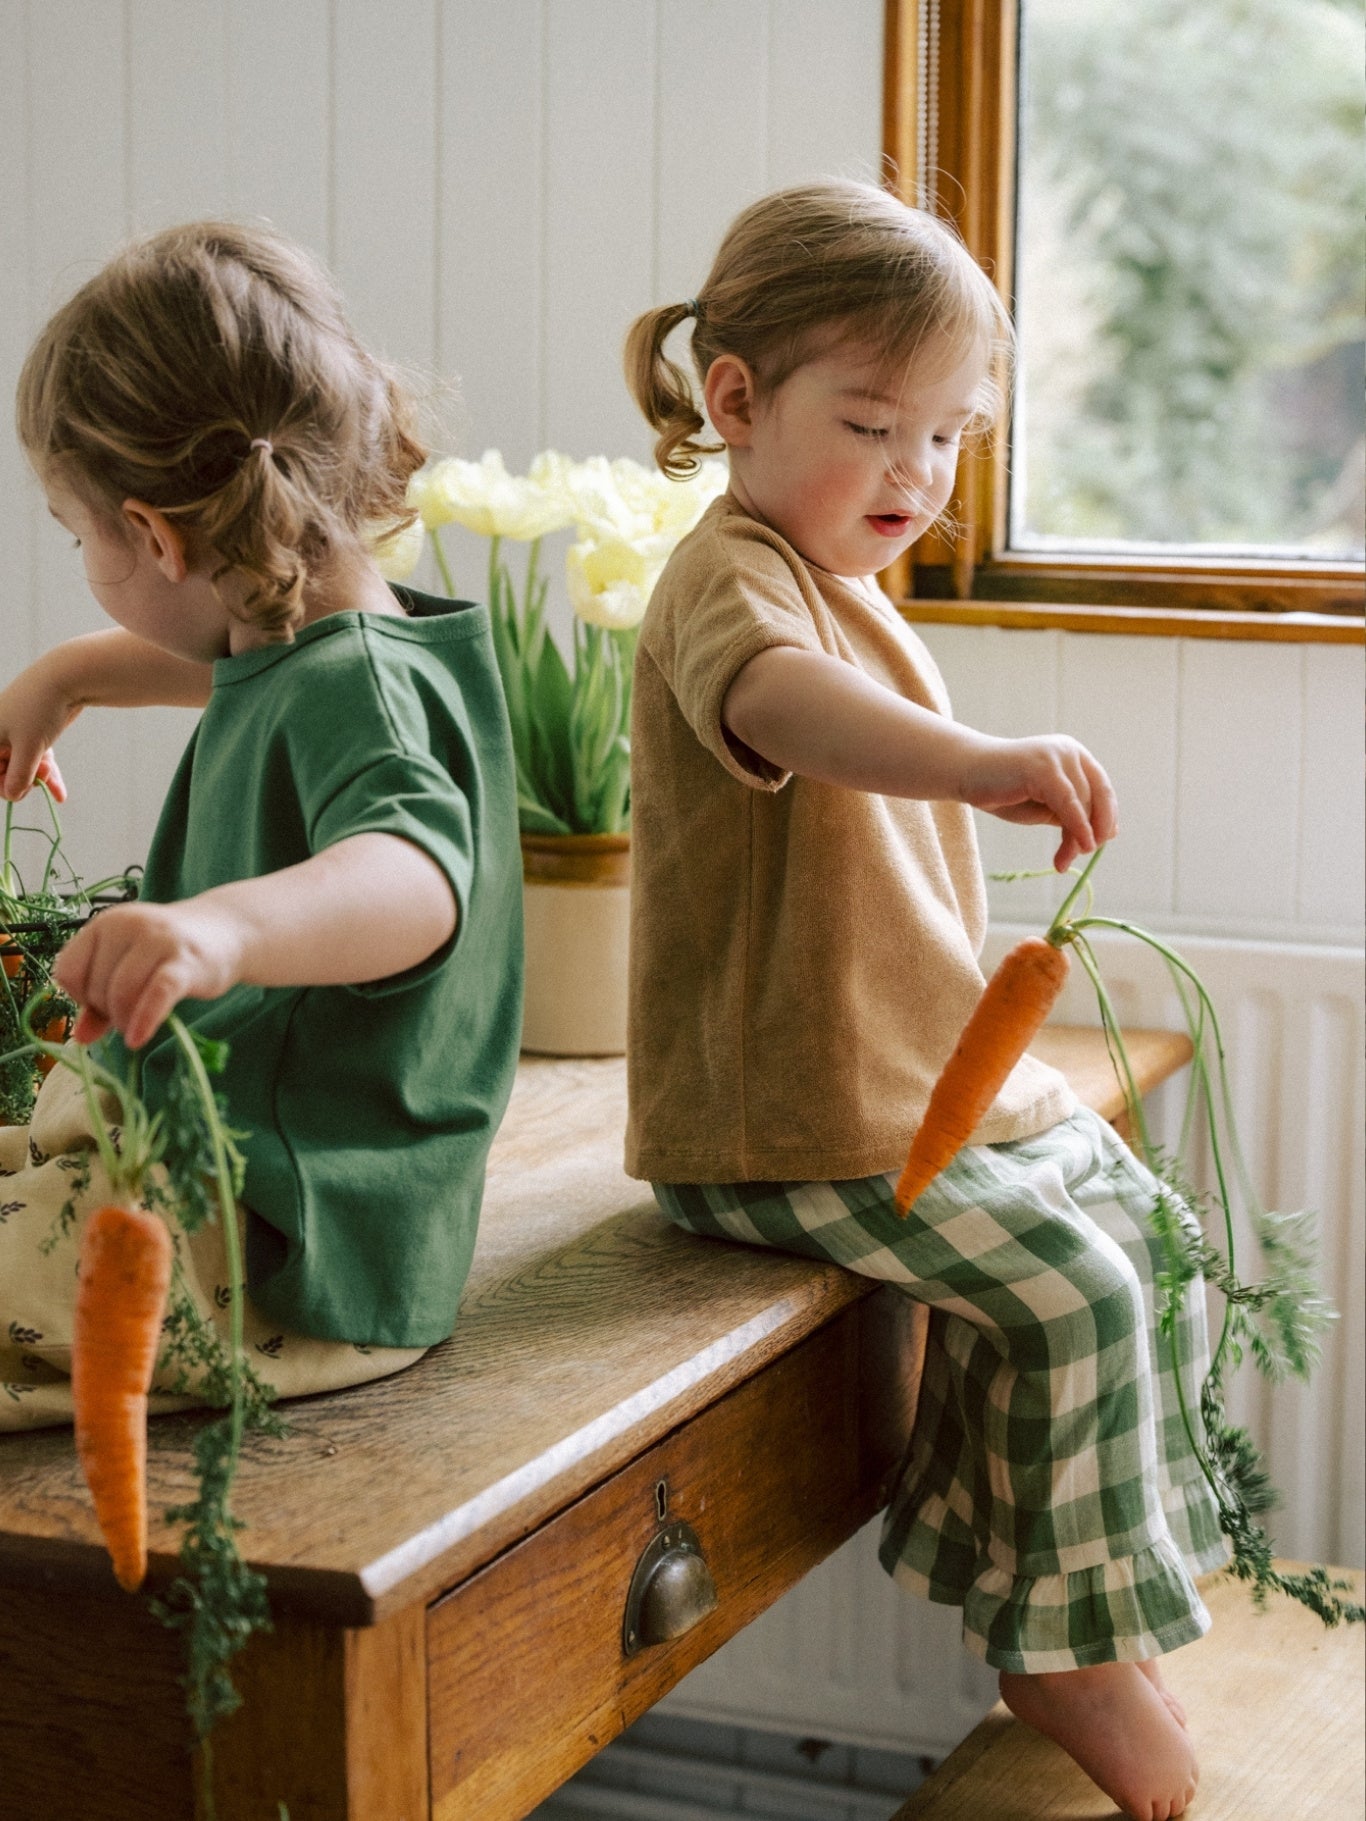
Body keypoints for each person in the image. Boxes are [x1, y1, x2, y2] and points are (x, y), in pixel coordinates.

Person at [622, 180, 1226, 1821]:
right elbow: (787, 713)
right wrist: (981, 763)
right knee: (1073, 1295)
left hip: (890, 1087)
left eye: (949, 438)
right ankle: (1060, 1644)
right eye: (876, 423)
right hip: (780, 1120)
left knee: (1141, 1230)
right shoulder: (729, 581)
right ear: (734, 402)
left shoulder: (842, 582)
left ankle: (1022, 1570)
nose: (917, 473)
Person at [0, 220, 522, 1429]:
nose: (84, 558)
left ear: (159, 536)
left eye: (81, 536)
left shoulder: (362, 697)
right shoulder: (342, 645)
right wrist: (73, 674)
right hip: (270, 1205)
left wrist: (222, 931)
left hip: (277, 1260)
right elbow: (248, 681)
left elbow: (411, 874)